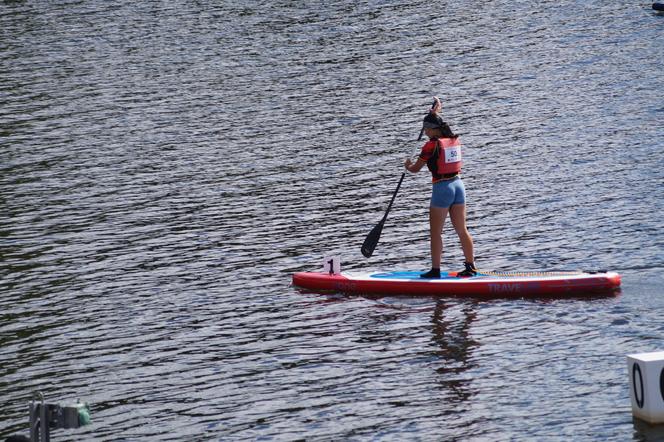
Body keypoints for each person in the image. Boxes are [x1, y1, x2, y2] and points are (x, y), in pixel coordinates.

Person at [404, 98, 476, 278]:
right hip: (459, 185)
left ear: (432, 129)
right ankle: (470, 266)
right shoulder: (452, 140)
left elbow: (415, 169)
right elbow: (437, 121)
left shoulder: (430, 145)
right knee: (462, 230)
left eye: (427, 129)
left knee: (436, 232)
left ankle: (435, 270)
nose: (426, 132)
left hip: (442, 189)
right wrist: (434, 112)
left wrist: (407, 164)